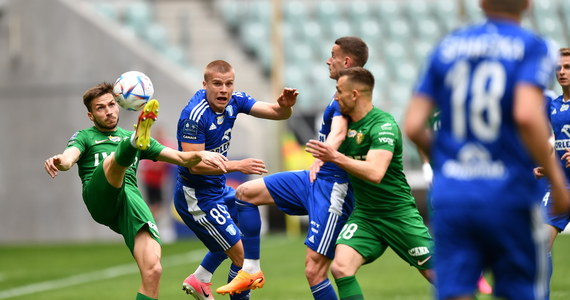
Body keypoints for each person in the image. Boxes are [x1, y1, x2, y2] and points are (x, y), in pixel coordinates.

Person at [403, 0, 570, 299]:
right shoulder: (534, 46)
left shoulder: (448, 47)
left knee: (456, 291)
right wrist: (557, 183)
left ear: (481, 4)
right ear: (528, 5)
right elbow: (527, 116)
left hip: (454, 194)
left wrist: (452, 160)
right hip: (509, 193)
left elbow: (414, 125)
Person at [43, 83, 228, 300]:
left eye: (112, 104)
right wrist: (60, 161)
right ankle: (132, 142)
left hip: (129, 200)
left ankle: (133, 142)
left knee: (153, 270)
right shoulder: (85, 136)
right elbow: (68, 158)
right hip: (99, 194)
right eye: (100, 108)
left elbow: (181, 158)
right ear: (91, 115)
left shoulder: (142, 140)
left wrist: (203, 154)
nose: (109, 111)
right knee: (113, 161)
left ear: (119, 104)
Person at [217, 36, 368, 299]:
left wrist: (325, 155)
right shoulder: (338, 95)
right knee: (245, 193)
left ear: (346, 61)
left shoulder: (350, 98)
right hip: (313, 180)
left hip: (334, 189)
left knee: (315, 271)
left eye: (332, 55)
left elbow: (339, 132)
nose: (327, 60)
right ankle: (251, 269)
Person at [306, 67, 435, 300]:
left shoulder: (383, 125)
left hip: (398, 215)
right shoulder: (344, 124)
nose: (335, 97)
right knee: (340, 268)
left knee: (440, 277)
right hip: (366, 216)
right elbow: (335, 136)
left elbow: (376, 172)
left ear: (354, 95)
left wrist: (335, 157)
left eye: (339, 91)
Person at [174, 60, 298, 300]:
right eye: (217, 84)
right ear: (205, 84)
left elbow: (276, 113)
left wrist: (285, 107)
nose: (224, 89)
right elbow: (194, 165)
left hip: (218, 191)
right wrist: (236, 166)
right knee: (244, 262)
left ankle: (200, 277)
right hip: (197, 198)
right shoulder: (194, 116)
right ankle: (204, 279)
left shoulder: (235, 100)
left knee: (246, 230)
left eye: (228, 84)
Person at [534, 47, 570, 299]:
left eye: (567, 67)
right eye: (558, 67)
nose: (562, 72)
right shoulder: (554, 106)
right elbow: (553, 143)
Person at [138, 125, 175, 220]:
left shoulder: (166, 145)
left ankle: (153, 222)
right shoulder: (150, 145)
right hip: (150, 180)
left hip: (161, 181)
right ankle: (150, 222)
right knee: (153, 204)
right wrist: (156, 165)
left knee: (159, 204)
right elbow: (145, 164)